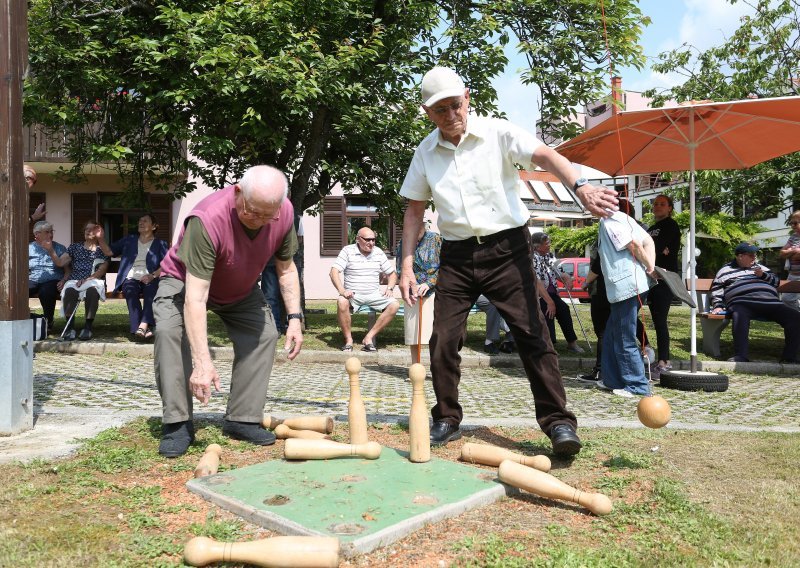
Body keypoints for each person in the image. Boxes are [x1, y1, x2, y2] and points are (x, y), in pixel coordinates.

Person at [398, 66, 618, 455]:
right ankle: (447, 417)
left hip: (507, 250)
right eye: (440, 110)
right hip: (457, 256)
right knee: (442, 341)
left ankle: (559, 423)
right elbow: (415, 211)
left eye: (455, 105)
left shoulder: (498, 132)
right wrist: (406, 266)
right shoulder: (425, 152)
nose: (451, 116)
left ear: (467, 97)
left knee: (533, 333)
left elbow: (547, 155)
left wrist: (580, 187)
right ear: (427, 112)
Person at [153, 165, 303, 457]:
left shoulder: (282, 212)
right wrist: (202, 363)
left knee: (264, 335)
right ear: (237, 193)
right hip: (185, 284)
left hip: (240, 285)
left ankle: (242, 418)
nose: (260, 221)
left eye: (266, 214)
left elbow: (286, 268)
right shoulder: (207, 220)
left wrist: (295, 318)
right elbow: (196, 299)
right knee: (168, 331)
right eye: (252, 212)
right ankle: (178, 422)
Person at [595, 200, 656, 397]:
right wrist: (650, 267)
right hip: (631, 285)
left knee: (623, 336)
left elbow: (634, 245)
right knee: (612, 334)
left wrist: (649, 267)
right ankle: (613, 380)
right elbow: (649, 241)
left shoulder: (610, 221)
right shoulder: (625, 218)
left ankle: (637, 385)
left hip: (626, 286)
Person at [710, 242, 799, 363]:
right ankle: (741, 355)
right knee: (739, 314)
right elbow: (717, 290)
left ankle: (789, 358)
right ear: (740, 256)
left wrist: (763, 275)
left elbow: (776, 282)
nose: (754, 258)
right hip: (742, 302)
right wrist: (718, 306)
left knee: (795, 317)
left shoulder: (762, 268)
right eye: (751, 255)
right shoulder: (725, 271)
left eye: (755, 255)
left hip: (771, 302)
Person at [96, 214, 169, 341]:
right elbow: (109, 252)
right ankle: (142, 329)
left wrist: (152, 276)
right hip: (130, 277)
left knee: (151, 292)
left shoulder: (161, 244)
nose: (141, 222)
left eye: (145, 221)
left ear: (154, 226)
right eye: (140, 220)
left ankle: (142, 326)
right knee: (129, 291)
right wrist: (101, 238)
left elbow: (166, 265)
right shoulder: (129, 240)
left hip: (150, 278)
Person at [330, 227, 399, 352]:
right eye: (367, 240)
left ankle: (369, 337)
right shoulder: (347, 251)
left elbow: (392, 274)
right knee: (341, 301)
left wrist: (390, 288)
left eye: (373, 240)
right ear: (358, 239)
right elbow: (334, 272)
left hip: (374, 294)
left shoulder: (378, 252)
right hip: (353, 295)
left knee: (394, 305)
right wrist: (342, 291)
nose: (371, 243)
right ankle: (348, 340)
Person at [530, 232, 585, 353]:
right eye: (547, 243)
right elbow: (537, 281)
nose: (549, 244)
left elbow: (559, 271)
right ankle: (549, 345)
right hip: (539, 295)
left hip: (552, 293)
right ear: (537, 247)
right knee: (548, 310)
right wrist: (549, 302)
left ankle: (572, 343)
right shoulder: (533, 258)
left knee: (564, 309)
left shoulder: (549, 255)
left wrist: (567, 278)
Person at [395, 224, 441, 364]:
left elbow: (446, 266)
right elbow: (399, 268)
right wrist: (410, 286)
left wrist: (429, 283)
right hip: (412, 294)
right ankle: (415, 367)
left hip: (435, 291)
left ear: (422, 226)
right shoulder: (403, 242)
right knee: (413, 333)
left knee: (436, 334)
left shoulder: (436, 239)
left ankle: (437, 369)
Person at [646, 194, 682, 371]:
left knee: (660, 319)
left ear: (669, 208)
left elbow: (659, 247)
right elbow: (651, 248)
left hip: (664, 278)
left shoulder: (671, 225)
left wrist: (658, 250)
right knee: (632, 313)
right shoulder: (651, 228)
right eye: (656, 204)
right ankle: (646, 347)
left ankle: (664, 361)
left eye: (662, 204)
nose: (658, 206)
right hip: (649, 278)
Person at [60, 220, 110, 341]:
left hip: (93, 280)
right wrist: (50, 250)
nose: (88, 231)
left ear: (98, 232)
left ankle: (87, 328)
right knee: (70, 291)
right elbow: (61, 262)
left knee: (93, 292)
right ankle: (70, 328)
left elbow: (101, 271)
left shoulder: (102, 250)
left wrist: (87, 279)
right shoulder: (75, 247)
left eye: (92, 229)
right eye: (87, 229)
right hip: (75, 280)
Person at [29, 221, 71, 332]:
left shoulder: (60, 248)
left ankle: (48, 320)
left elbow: (68, 270)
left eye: (51, 231)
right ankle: (23, 318)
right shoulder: (29, 248)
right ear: (37, 234)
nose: (51, 235)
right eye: (47, 232)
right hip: (33, 279)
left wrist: (64, 280)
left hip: (53, 279)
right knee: (20, 290)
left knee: (46, 291)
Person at [779, 210, 800, 311]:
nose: (792, 225)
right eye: (791, 223)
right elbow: (782, 253)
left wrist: (790, 251)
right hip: (792, 275)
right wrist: (794, 251)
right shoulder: (793, 237)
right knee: (786, 299)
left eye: (795, 223)